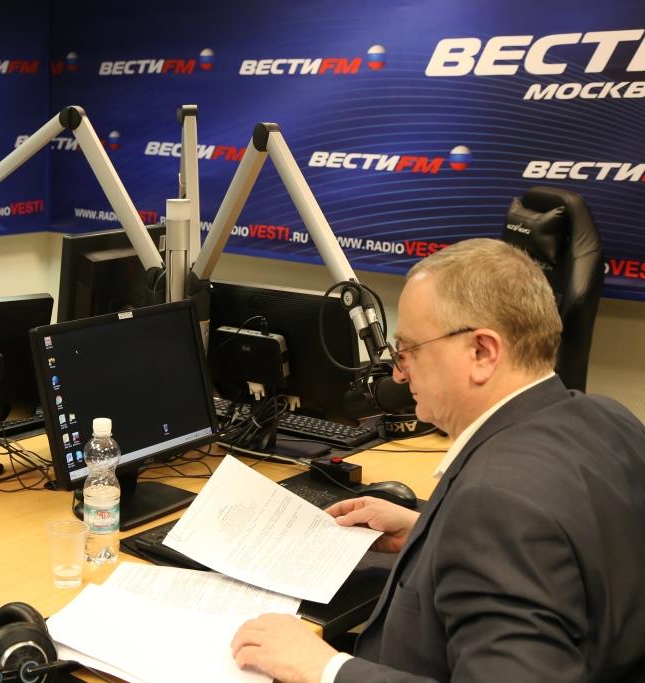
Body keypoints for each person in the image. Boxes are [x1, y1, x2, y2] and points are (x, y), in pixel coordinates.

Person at [231, 238, 645, 682]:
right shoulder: (608, 417)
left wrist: (325, 668)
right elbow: (568, 550)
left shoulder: (496, 507)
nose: (397, 373)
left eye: (409, 350)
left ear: (482, 353)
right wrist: (428, 530)